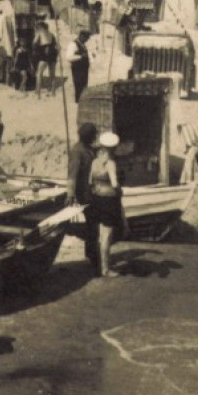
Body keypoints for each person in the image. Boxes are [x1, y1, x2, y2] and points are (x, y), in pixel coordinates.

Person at [86, 132, 126, 277]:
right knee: (106, 235)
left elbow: (90, 182)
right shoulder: (111, 163)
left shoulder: (95, 161)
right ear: (114, 147)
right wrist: (120, 191)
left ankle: (100, 265)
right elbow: (115, 183)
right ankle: (105, 269)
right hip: (109, 201)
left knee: (99, 234)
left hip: (96, 199)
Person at [68, 122, 101, 271]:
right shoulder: (77, 151)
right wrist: (70, 194)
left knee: (92, 226)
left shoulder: (88, 149)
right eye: (94, 135)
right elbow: (73, 175)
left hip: (91, 193)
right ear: (89, 136)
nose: (95, 138)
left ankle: (91, 254)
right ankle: (93, 258)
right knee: (92, 226)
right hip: (84, 194)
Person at [66, 31, 92, 103]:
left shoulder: (82, 44)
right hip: (77, 68)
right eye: (86, 38)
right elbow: (69, 57)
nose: (87, 40)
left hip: (83, 68)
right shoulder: (73, 44)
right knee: (78, 84)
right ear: (81, 36)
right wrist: (81, 56)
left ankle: (82, 100)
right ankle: (78, 101)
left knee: (84, 84)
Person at [33, 21, 59, 90]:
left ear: (39, 27)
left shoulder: (39, 32)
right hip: (53, 54)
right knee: (52, 74)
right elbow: (56, 45)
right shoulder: (51, 34)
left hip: (44, 53)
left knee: (39, 73)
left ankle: (37, 92)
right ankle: (53, 92)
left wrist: (37, 50)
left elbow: (34, 43)